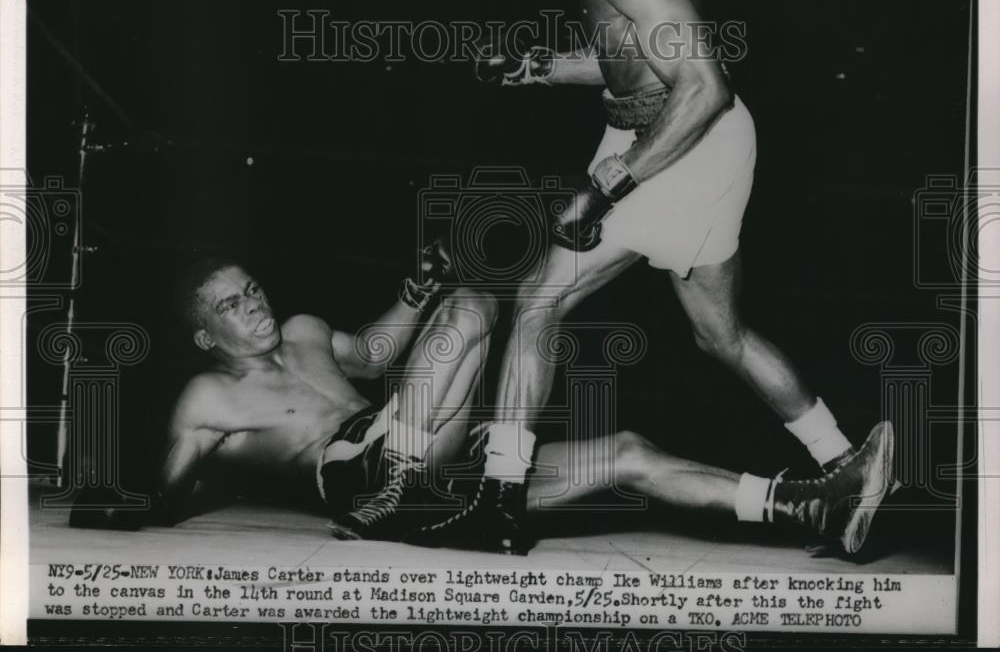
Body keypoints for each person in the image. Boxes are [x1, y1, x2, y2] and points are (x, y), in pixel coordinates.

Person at [405, 0, 894, 555]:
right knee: (719, 334)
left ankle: (498, 501)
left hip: (680, 146)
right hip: (662, 140)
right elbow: (628, 62)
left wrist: (606, 188)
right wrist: (534, 66)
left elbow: (704, 87)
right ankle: (845, 466)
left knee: (541, 295)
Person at [69, 255, 894, 559]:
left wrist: (407, 294)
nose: (250, 305)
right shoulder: (207, 393)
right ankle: (397, 478)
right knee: (472, 309)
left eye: (249, 288)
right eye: (228, 304)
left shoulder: (306, 329)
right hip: (356, 476)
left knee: (629, 447)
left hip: (429, 462)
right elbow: (172, 486)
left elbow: (380, 353)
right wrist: (120, 508)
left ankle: (807, 504)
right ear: (204, 333)